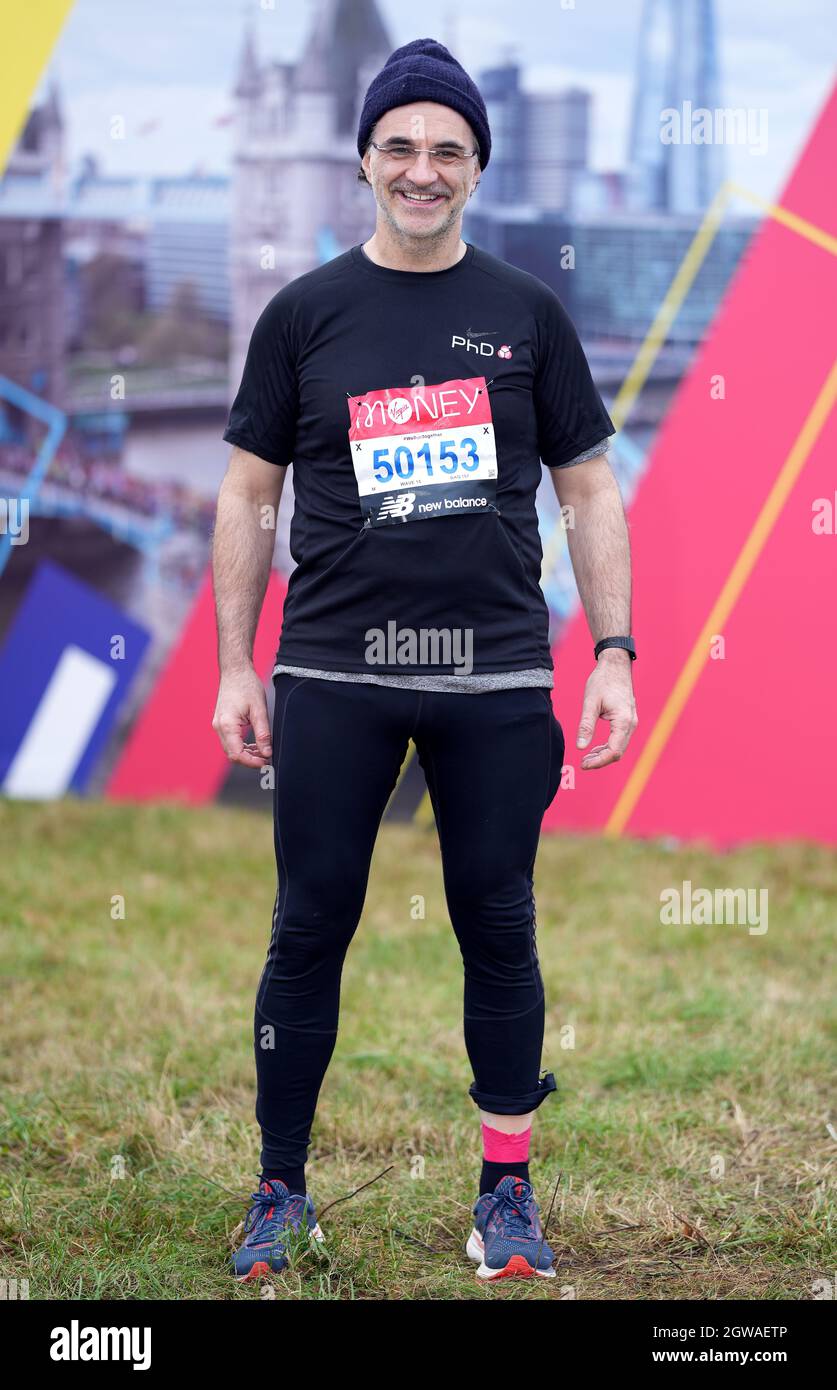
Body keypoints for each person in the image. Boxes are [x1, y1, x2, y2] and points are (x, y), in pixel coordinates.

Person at [213, 38, 637, 1284]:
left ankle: (507, 1195)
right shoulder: (303, 316)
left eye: (448, 148)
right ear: (364, 160)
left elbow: (593, 491)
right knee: (308, 927)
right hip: (335, 673)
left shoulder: (527, 315)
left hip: (498, 678)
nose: (422, 167)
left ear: (475, 167)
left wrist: (612, 648)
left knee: (498, 924)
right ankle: (279, 1189)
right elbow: (245, 500)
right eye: (400, 144)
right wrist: (238, 665)